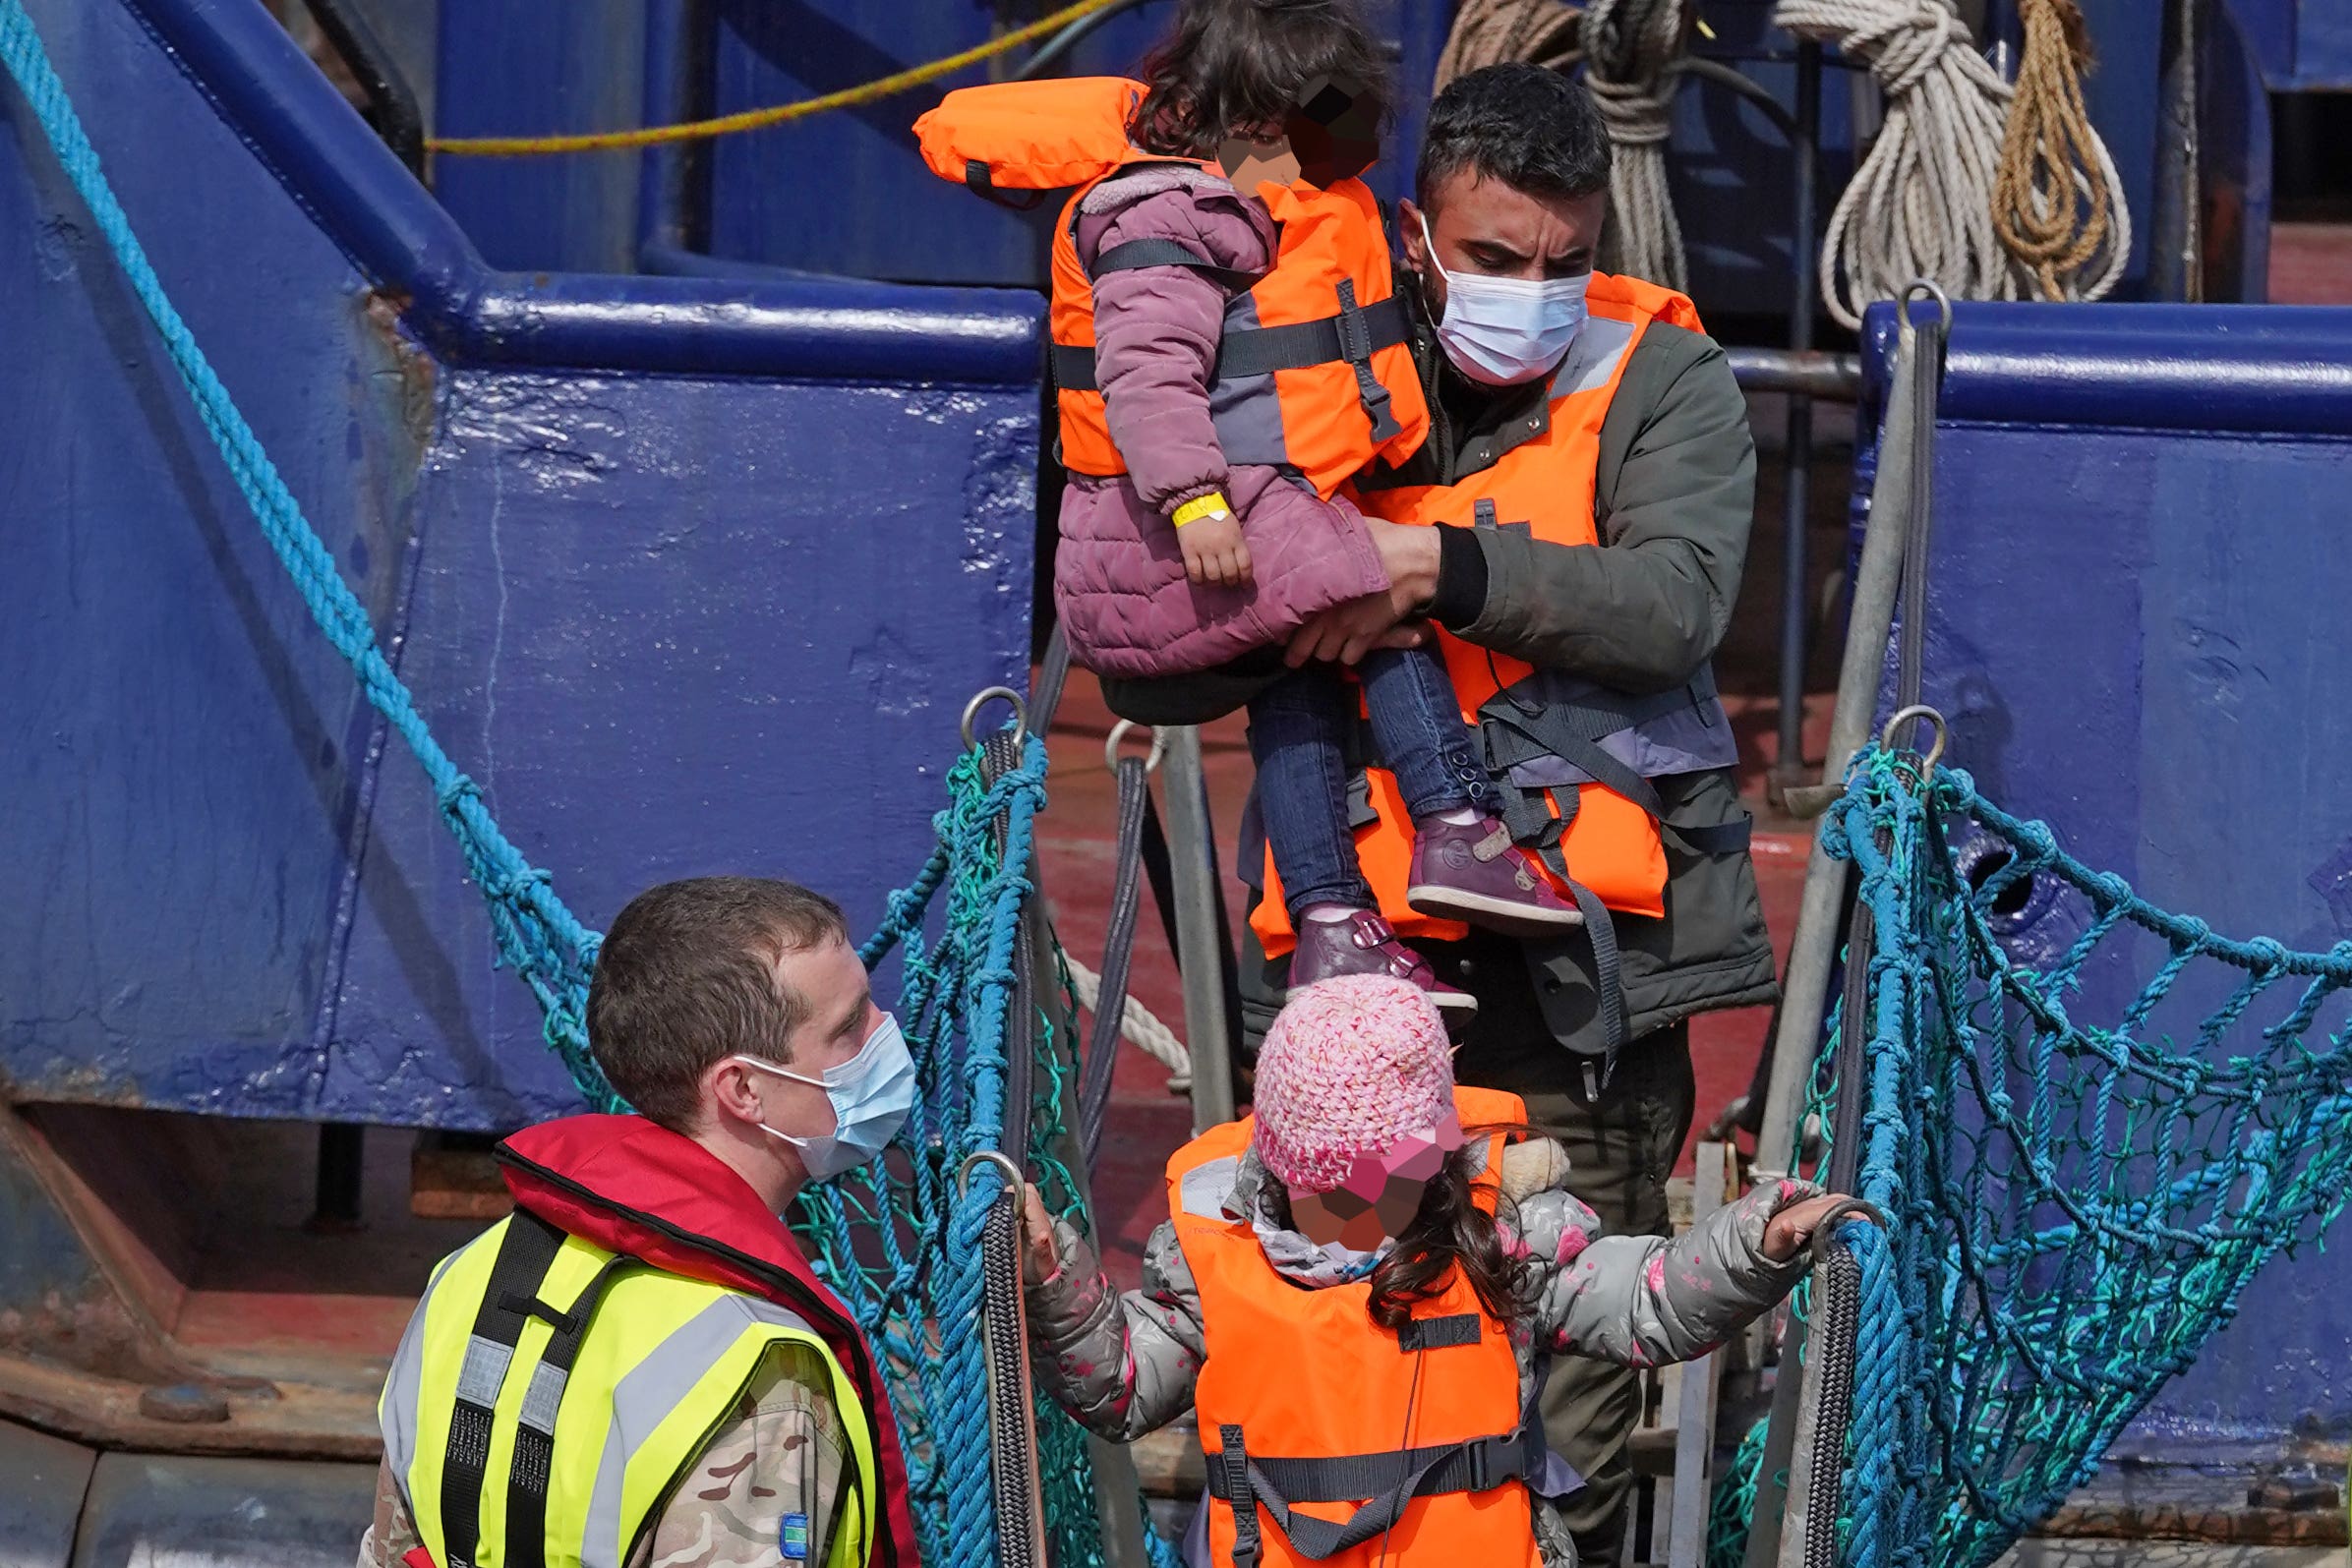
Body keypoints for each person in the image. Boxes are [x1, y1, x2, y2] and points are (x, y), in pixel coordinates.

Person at [1100, 63, 1778, 1565]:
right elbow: (1160, 614)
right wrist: (1283, 581)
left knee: (1574, 1424)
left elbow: (1676, 600)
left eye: (1560, 261)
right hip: (1345, 996)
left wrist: (1426, 569)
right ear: (1420, 229)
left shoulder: (1659, 375)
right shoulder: (1308, 333)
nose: (1530, 292)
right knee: (1319, 1392)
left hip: (1576, 980)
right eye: (1492, 258)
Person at [915, 0, 1584, 1019]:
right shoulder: (1163, 213)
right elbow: (1145, 374)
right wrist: (1194, 504)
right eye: (1314, 145)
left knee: (1304, 669)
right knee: (1379, 601)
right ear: (1260, 127)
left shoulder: (1219, 193)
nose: (1324, 179)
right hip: (1162, 553)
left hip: (1183, 550)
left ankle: (1329, 924)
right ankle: (1459, 821)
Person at [1017, 975, 1844, 1568]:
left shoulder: (1500, 1233)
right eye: (1335, 1188)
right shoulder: (1210, 1251)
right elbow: (1120, 1383)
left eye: (1394, 1176)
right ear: (1286, 1165)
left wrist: (1754, 1242)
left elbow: (1642, 1299)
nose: (1364, 1203)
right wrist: (1054, 1276)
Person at [359, 877, 922, 1568]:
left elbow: (393, 1541)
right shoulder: (759, 1373)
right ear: (743, 1088)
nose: (886, 1032)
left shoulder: (467, 1274)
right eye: (850, 1027)